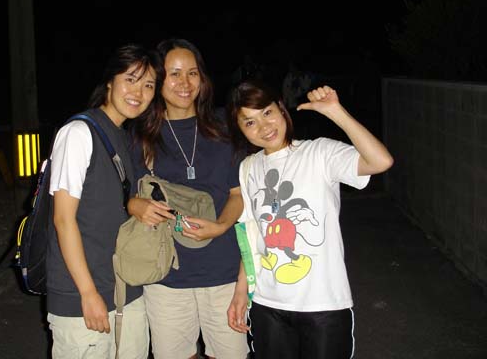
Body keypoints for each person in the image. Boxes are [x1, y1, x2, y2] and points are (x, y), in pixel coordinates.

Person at [225, 79, 394, 359]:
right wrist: (241, 290)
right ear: (240, 130)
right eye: (250, 122)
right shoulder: (248, 168)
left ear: (281, 109)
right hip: (268, 304)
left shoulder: (320, 153)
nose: (264, 127)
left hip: (323, 305)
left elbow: (380, 161)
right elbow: (252, 234)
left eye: (267, 113)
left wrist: (336, 112)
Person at [127, 38, 249, 359]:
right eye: (174, 74)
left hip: (223, 272)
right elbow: (125, 193)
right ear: (158, 80)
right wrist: (133, 204)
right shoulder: (142, 135)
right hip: (166, 274)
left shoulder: (225, 126)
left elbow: (238, 193)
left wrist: (221, 226)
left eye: (192, 73)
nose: (185, 83)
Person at [45, 43, 163, 359]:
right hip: (83, 295)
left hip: (126, 288)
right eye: (130, 79)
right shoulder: (78, 132)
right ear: (110, 82)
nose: (139, 92)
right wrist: (87, 293)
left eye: (148, 85)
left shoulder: (123, 137)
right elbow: (63, 219)